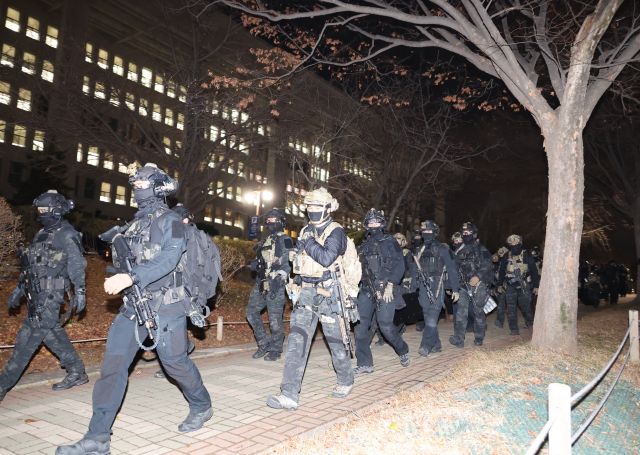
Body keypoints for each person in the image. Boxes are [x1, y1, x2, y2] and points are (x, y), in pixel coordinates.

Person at [57, 164, 212, 455]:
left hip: (167, 306)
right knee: (112, 369)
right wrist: (120, 270)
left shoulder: (174, 222)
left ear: (159, 187)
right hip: (134, 305)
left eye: (143, 182)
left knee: (174, 363)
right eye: (135, 183)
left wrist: (131, 276)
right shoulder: (136, 223)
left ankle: (201, 405)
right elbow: (128, 259)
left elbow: (168, 259)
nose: (137, 187)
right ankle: (97, 437)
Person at [266, 187, 355, 410]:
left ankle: (346, 379)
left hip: (329, 293)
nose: (312, 210)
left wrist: (308, 242)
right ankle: (289, 394)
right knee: (297, 340)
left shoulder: (336, 232)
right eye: (309, 207)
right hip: (306, 292)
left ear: (327, 208)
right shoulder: (306, 229)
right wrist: (294, 281)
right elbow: (298, 259)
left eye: (316, 206)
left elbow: (326, 258)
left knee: (335, 341)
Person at [1, 190, 87, 401]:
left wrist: (81, 290)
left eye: (44, 210)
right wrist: (19, 290)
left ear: (56, 210)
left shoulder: (67, 234)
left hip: (51, 296)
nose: (41, 214)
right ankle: (77, 371)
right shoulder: (41, 234)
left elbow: (78, 264)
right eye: (39, 210)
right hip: (35, 294)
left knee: (27, 339)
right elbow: (32, 267)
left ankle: (3, 384)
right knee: (50, 334)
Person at [353, 209, 410, 375]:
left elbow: (400, 265)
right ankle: (365, 363)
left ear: (382, 224)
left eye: (376, 222)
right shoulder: (362, 246)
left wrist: (390, 284)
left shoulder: (390, 241)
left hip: (386, 289)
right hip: (366, 290)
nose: (373, 225)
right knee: (361, 327)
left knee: (385, 325)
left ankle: (403, 349)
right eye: (370, 222)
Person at [154, 203, 196, 379]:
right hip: (185, 287)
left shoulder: (179, 228)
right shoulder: (189, 230)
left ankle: (174, 364)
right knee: (174, 326)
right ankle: (183, 350)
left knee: (171, 327)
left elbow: (174, 258)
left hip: (180, 288)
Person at [246, 208, 293, 361]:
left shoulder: (285, 239)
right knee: (251, 312)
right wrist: (256, 264)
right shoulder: (265, 240)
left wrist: (280, 277)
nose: (271, 222)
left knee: (274, 319)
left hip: (275, 284)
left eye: (275, 220)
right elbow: (263, 260)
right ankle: (263, 343)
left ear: (281, 222)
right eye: (269, 220)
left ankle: (276, 347)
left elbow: (288, 264)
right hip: (261, 282)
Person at [409, 220, 459, 357]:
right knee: (427, 316)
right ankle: (436, 344)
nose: (426, 234)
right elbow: (414, 270)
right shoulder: (419, 250)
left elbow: (452, 269)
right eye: (424, 231)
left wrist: (455, 289)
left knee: (432, 317)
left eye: (429, 231)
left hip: (437, 285)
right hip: (423, 288)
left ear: (435, 233)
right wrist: (412, 288)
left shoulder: (443, 248)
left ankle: (425, 345)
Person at [449, 222, 493, 348]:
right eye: (464, 233)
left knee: (478, 312)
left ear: (474, 234)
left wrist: (478, 276)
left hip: (479, 285)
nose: (465, 234)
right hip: (463, 286)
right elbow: (454, 268)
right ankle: (459, 338)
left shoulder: (481, 249)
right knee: (461, 312)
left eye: (468, 232)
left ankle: (479, 337)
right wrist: (453, 286)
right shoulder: (459, 250)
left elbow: (487, 264)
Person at [497, 235, 538, 335]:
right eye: (512, 244)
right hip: (510, 285)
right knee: (511, 308)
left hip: (523, 284)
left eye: (516, 244)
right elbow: (502, 270)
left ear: (520, 244)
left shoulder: (526, 254)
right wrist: (499, 284)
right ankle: (514, 329)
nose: (514, 245)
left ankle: (530, 323)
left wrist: (536, 285)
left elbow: (534, 271)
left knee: (526, 307)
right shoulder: (507, 255)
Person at [493, 246, 509, 328]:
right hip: (500, 284)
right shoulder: (496, 262)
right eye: (499, 252)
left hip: (509, 284)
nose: (500, 254)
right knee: (501, 303)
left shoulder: (508, 261)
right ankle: (500, 321)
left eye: (502, 252)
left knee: (509, 304)